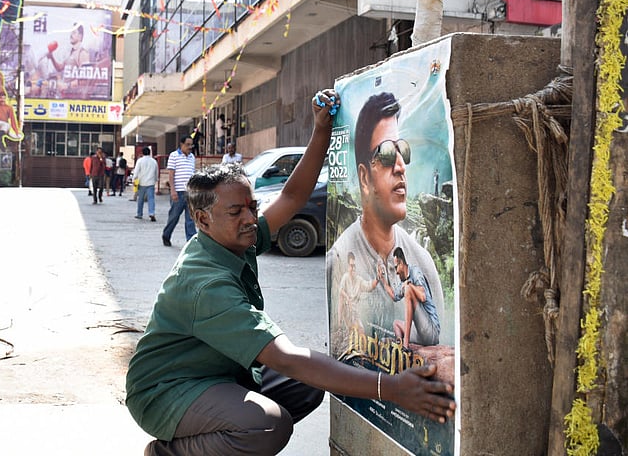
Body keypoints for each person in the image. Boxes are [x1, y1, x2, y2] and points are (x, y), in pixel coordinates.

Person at [126, 89, 454, 455]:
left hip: (217, 373)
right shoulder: (207, 284)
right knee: (268, 423)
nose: (251, 219)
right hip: (167, 391)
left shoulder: (233, 240)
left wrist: (320, 132)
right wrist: (389, 388)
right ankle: (168, 452)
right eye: (237, 212)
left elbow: (292, 197)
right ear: (202, 219)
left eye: (252, 207)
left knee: (308, 383)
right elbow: (283, 357)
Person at [326, 92, 444, 349]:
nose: (401, 166)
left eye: (402, 150)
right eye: (388, 153)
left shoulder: (422, 262)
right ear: (365, 178)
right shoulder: (340, 258)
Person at [378, 247, 440, 348]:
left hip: (431, 332)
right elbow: (394, 296)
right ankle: (399, 344)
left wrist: (410, 285)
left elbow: (423, 297)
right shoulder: (404, 282)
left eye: (396, 267)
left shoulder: (416, 273)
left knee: (408, 289)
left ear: (401, 263)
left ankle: (405, 346)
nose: (396, 272)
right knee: (396, 324)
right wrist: (383, 281)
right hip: (420, 333)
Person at [161, 135, 196, 247]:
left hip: (190, 192)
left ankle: (191, 241)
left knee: (190, 219)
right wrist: (173, 191)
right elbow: (171, 174)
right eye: (188, 144)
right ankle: (166, 235)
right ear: (181, 144)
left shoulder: (192, 157)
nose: (190, 147)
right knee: (174, 216)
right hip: (178, 192)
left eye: (191, 145)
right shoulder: (174, 156)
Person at [339, 252, 378, 334]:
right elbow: (341, 292)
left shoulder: (359, 280)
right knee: (351, 332)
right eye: (351, 265)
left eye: (354, 266)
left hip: (355, 313)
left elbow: (369, 286)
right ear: (347, 266)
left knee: (361, 331)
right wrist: (347, 298)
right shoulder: (345, 277)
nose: (353, 268)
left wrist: (378, 278)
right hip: (346, 313)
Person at [133, 147, 159, 222]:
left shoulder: (140, 161)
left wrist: (134, 179)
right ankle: (152, 212)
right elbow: (156, 171)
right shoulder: (154, 161)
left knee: (140, 199)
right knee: (151, 199)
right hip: (151, 182)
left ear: (142, 153)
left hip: (142, 182)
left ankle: (139, 214)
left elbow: (136, 171)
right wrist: (156, 179)